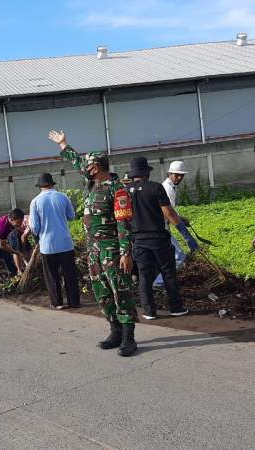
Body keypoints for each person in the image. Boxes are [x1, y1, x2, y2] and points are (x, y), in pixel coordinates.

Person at [49, 130, 136, 357]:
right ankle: (115, 331)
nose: (85, 169)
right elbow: (78, 162)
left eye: (88, 167)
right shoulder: (92, 185)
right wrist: (64, 145)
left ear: (96, 167)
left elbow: (123, 224)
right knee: (103, 293)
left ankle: (129, 337)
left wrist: (126, 253)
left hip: (113, 251)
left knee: (121, 291)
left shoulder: (118, 190)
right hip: (94, 251)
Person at [118, 157, 196, 322]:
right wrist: (186, 235)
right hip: (158, 239)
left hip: (138, 240)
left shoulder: (124, 192)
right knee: (168, 273)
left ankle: (149, 311)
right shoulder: (156, 188)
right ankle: (176, 308)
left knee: (144, 276)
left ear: (133, 174)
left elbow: (123, 219)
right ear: (147, 172)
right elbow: (169, 213)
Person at [29, 172, 80, 310]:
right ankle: (74, 301)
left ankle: (57, 303)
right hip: (65, 243)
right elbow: (71, 216)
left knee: (52, 276)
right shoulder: (63, 197)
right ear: (52, 184)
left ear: (40, 187)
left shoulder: (35, 202)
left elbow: (34, 227)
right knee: (69, 274)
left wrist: (37, 233)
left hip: (47, 245)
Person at [153, 161, 189, 287]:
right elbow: (167, 213)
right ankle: (158, 283)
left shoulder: (171, 187)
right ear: (169, 173)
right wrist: (185, 233)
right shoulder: (167, 189)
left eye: (181, 175)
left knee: (166, 257)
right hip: (161, 228)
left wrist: (181, 218)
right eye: (176, 175)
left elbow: (170, 210)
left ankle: (161, 281)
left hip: (163, 226)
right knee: (179, 256)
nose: (179, 178)